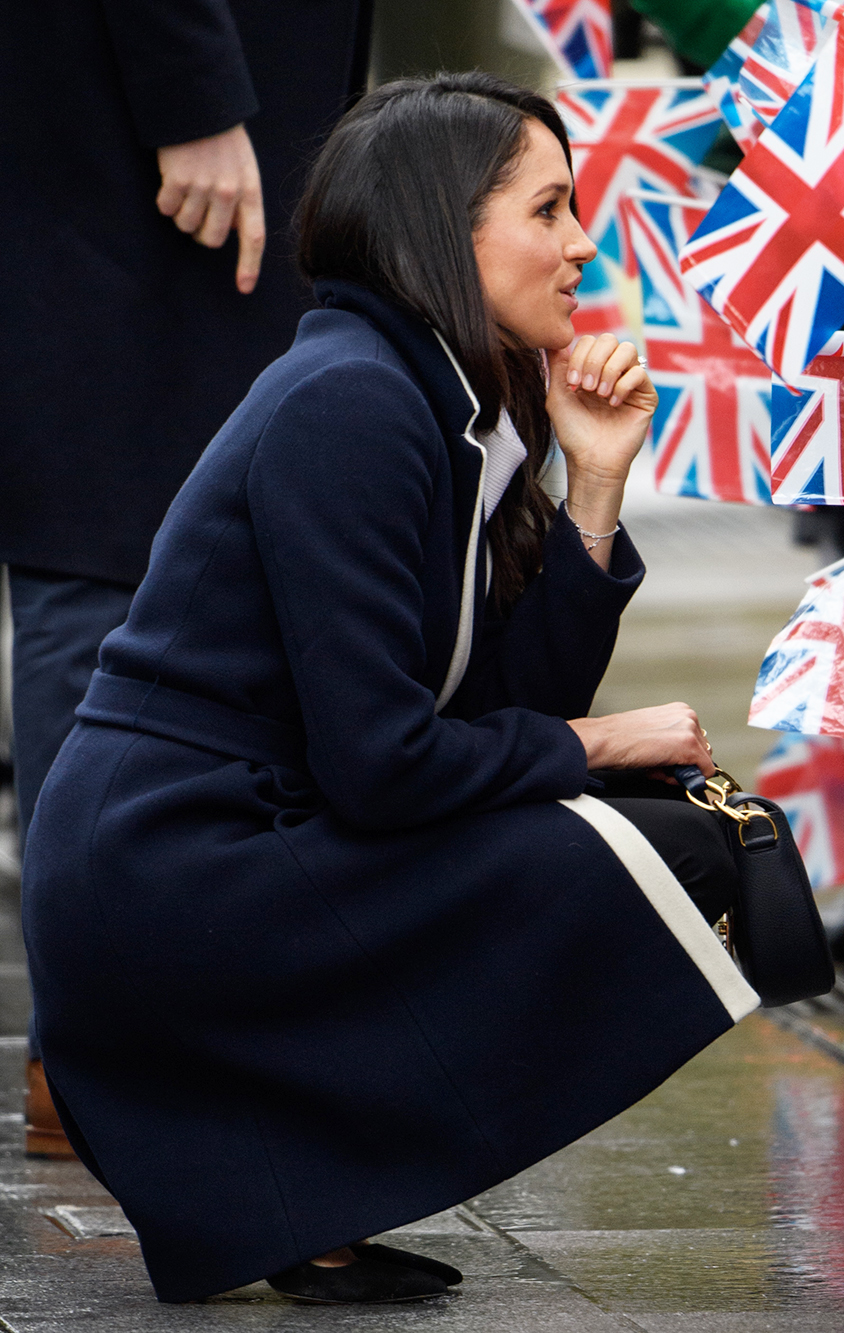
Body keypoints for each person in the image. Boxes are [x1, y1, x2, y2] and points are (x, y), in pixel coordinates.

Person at [21, 72, 758, 1307]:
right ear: (441, 226)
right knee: (654, 855)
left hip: (222, 851)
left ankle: (308, 1192)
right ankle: (301, 1175)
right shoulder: (356, 402)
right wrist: (595, 742)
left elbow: (484, 708)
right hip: (174, 878)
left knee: (660, 837)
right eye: (549, 210)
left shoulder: (423, 392)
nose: (582, 245)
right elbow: (387, 763)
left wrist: (591, 488)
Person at [0, 0, 372, 1155]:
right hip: (157, 123)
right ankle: (101, 1048)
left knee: (169, 558)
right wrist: (192, 96)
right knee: (106, 558)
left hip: (200, 111)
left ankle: (147, 1033)